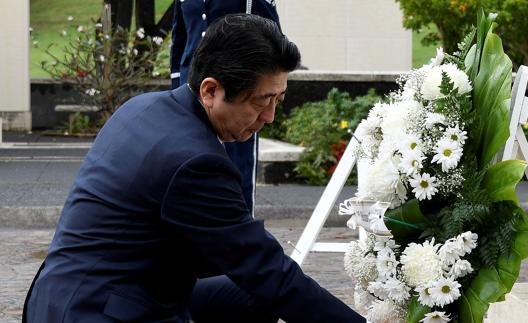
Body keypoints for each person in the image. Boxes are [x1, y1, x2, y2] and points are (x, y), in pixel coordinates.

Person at [24, 14, 365, 323]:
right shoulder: (194, 162)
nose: (270, 117)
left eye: (279, 100)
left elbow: (229, 252)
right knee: (264, 286)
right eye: (261, 101)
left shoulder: (144, 108)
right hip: (99, 311)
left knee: (252, 297)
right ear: (211, 90)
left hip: (62, 296)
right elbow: (268, 273)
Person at [171, 0, 281, 217]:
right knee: (187, 165)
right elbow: (180, 39)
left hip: (234, 94)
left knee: (237, 167)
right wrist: (176, 90)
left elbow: (272, 37)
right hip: (191, 91)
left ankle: (241, 229)